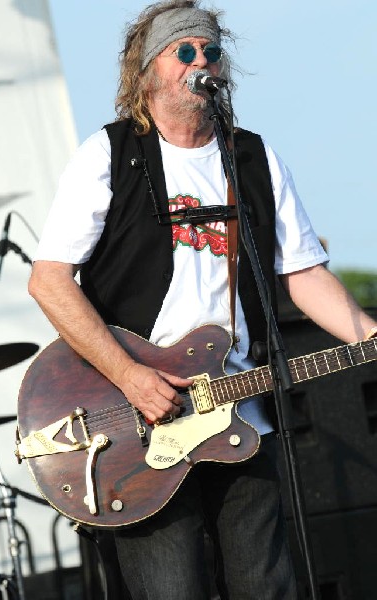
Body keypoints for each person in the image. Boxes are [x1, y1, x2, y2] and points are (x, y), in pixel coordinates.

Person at [28, 1, 377, 598]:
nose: (201, 61)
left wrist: (369, 336)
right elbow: (49, 280)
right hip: (136, 423)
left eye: (210, 51)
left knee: (267, 586)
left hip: (240, 412)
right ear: (148, 71)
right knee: (173, 588)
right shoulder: (110, 155)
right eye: (183, 51)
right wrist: (131, 376)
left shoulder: (254, 159)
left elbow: (302, 273)